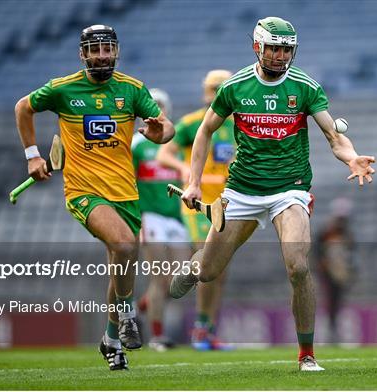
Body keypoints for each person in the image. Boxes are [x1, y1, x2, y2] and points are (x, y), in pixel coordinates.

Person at [169, 17, 376, 371]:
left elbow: (333, 135)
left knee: (298, 267)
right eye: (274, 48)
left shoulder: (306, 87)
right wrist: (194, 182)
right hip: (243, 191)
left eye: (287, 49)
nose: (281, 56)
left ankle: (306, 355)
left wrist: (351, 156)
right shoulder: (234, 87)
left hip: (290, 190)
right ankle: (195, 265)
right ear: (257, 47)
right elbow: (203, 132)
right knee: (208, 272)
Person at [14, 25, 175, 370]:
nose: (102, 55)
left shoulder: (132, 90)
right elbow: (23, 108)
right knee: (125, 244)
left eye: (107, 49)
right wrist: (32, 155)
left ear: (116, 51)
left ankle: (111, 340)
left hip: (126, 194)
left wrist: (161, 132)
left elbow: (166, 126)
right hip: (83, 190)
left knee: (120, 261)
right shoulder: (62, 89)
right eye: (95, 50)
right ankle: (130, 314)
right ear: (82, 54)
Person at [157, 70, 236, 350]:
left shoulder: (240, 124)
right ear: (206, 92)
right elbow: (164, 154)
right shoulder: (193, 123)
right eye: (213, 89)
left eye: (221, 88)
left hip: (228, 206)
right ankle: (201, 331)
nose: (216, 94)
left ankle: (208, 329)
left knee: (220, 271)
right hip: (198, 205)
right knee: (207, 262)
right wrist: (187, 173)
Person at [132, 88, 192, 352]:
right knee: (159, 279)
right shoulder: (136, 145)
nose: (156, 111)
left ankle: (140, 307)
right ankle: (157, 336)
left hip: (177, 218)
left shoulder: (176, 144)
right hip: (151, 217)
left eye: (161, 106)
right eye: (151, 106)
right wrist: (137, 220)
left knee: (181, 279)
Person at [315, 197, 355, 344]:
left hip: (340, 273)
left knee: (337, 302)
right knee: (330, 302)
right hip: (327, 273)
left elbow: (351, 256)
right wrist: (323, 266)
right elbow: (317, 253)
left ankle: (334, 331)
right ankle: (331, 332)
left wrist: (349, 271)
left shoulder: (347, 235)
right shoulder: (326, 233)